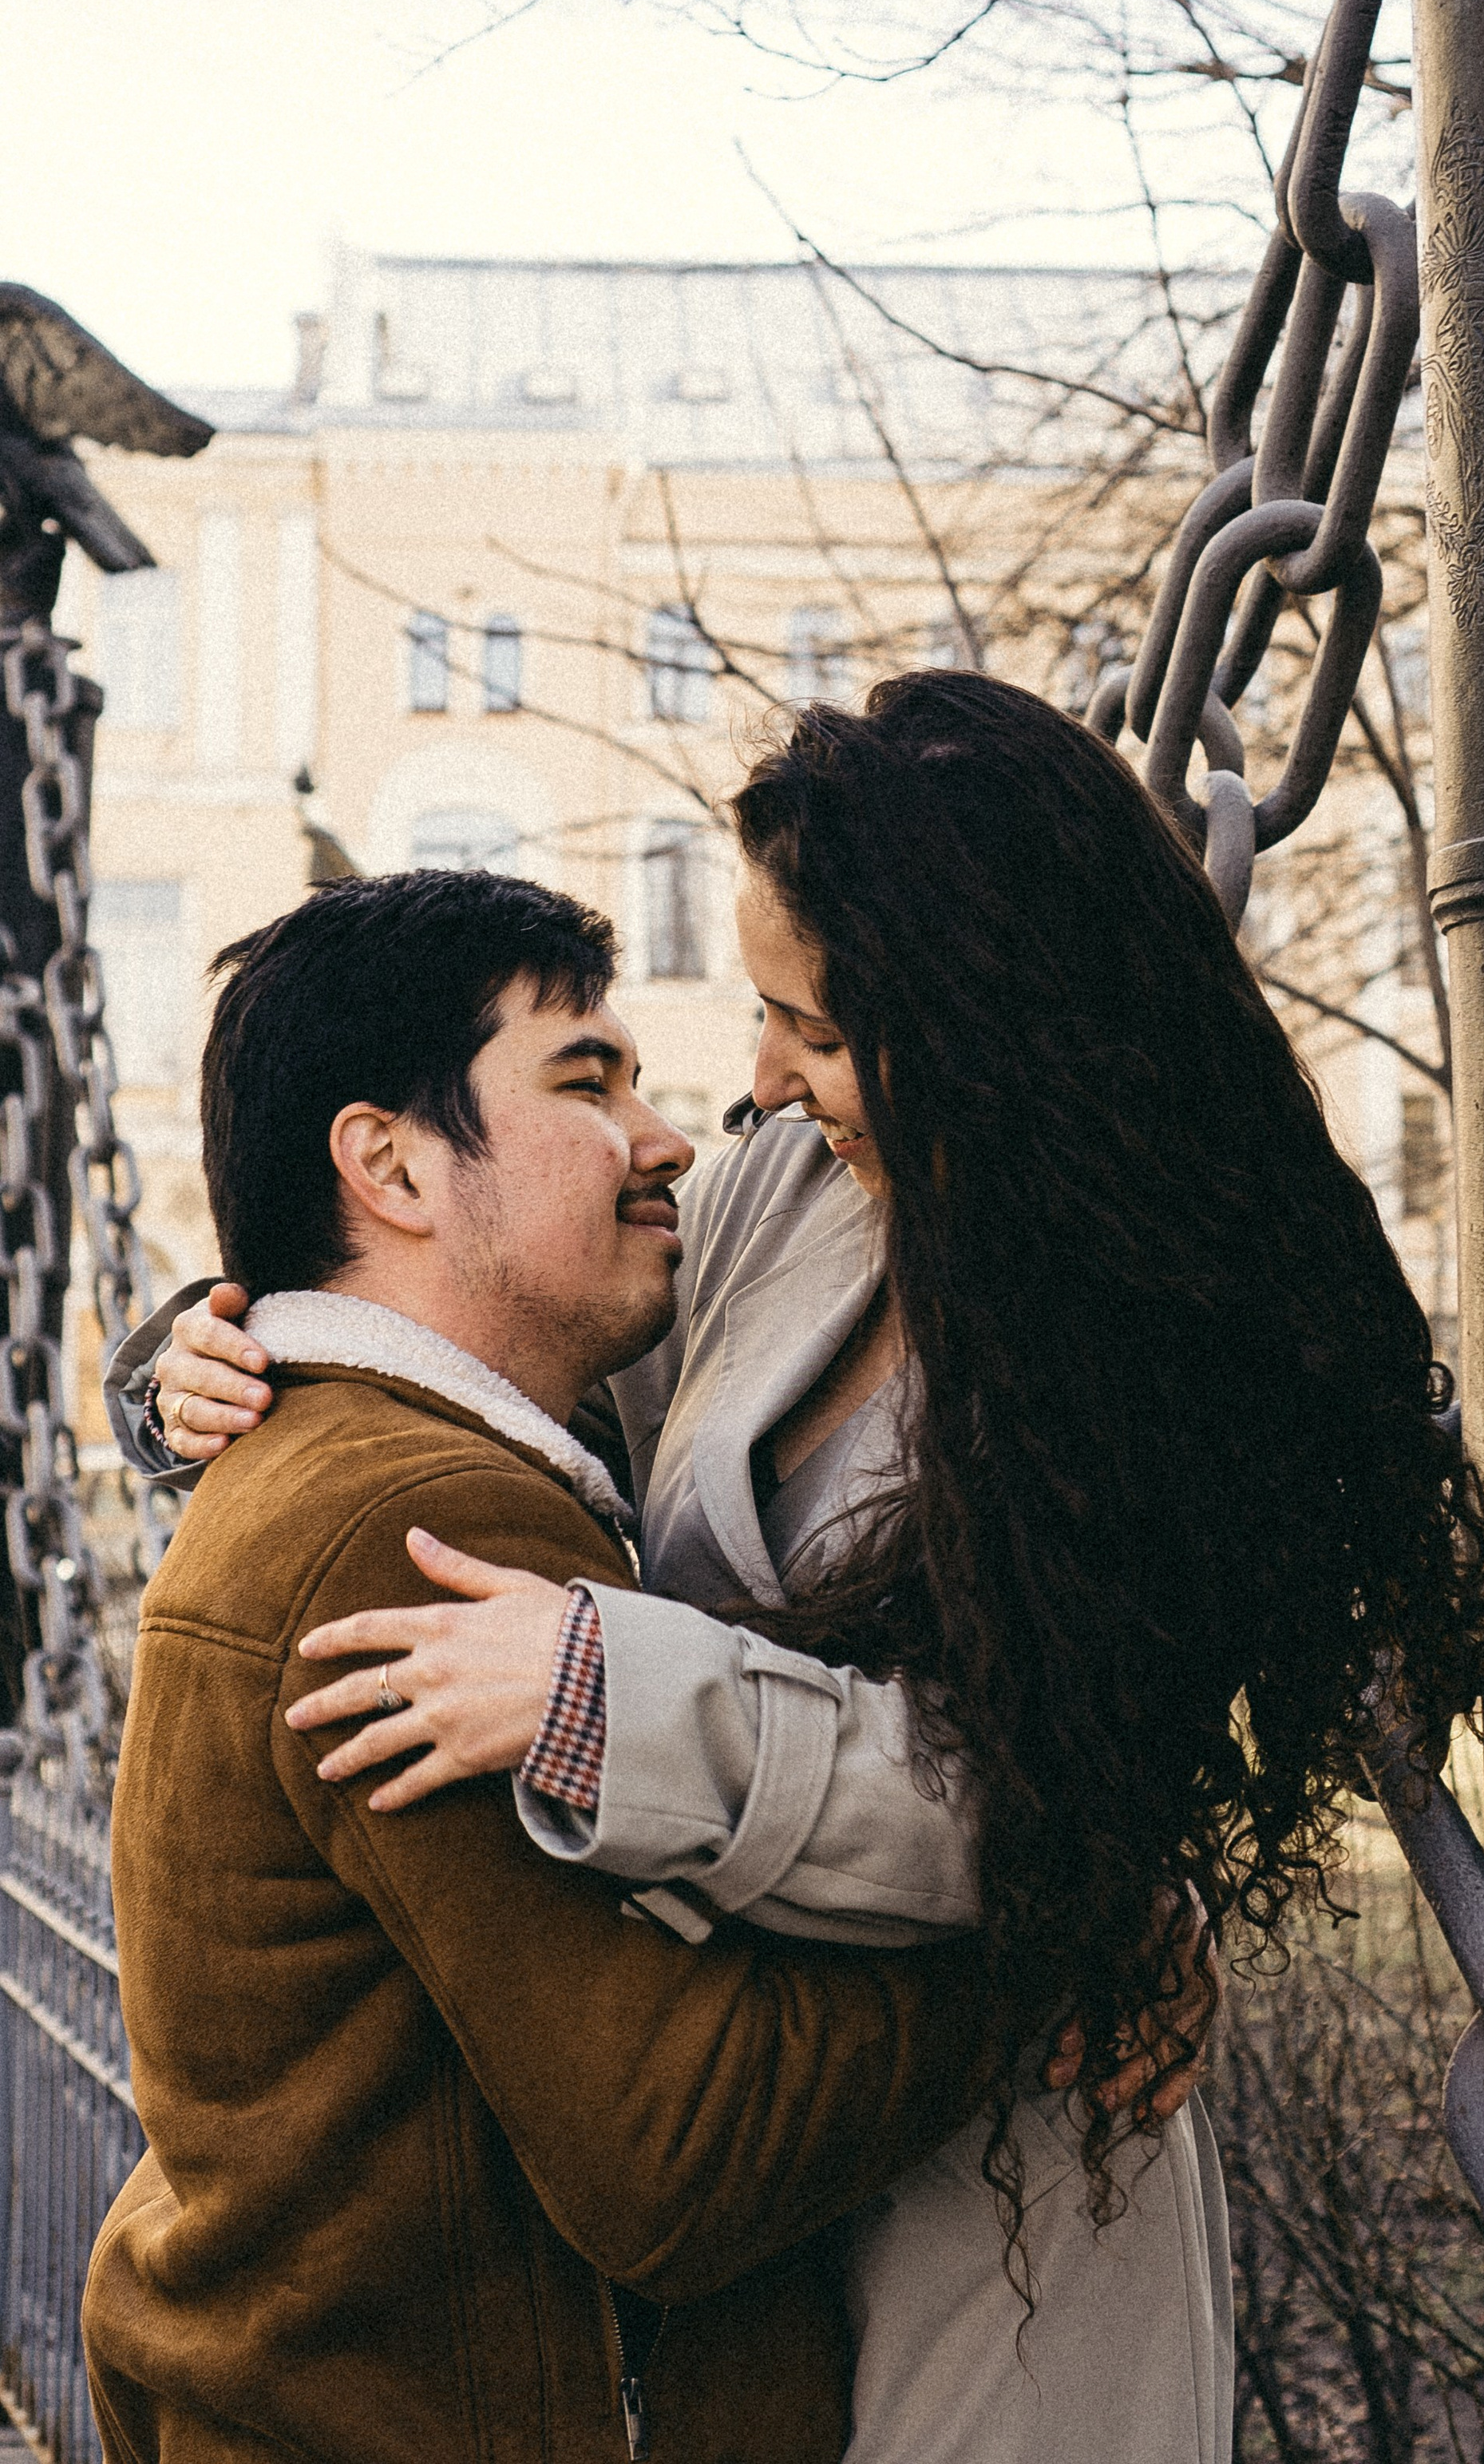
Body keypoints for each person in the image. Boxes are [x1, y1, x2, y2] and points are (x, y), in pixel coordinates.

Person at [129, 671, 1484, 2464]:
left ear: (971, 1027)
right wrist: (223, 1347)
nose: (758, 1082)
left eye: (813, 1027)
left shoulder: (1155, 1357)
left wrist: (616, 1702)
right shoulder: (799, 1196)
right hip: (757, 2123)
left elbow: (1046, 1787)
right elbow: (495, 1310)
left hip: (997, 2175)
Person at [84, 869, 1023, 2464]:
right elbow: (680, 2155)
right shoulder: (418, 1522)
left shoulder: (345, 1466)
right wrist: (1047, 1948)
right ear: (385, 1162)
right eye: (587, 1080)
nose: (668, 1139)